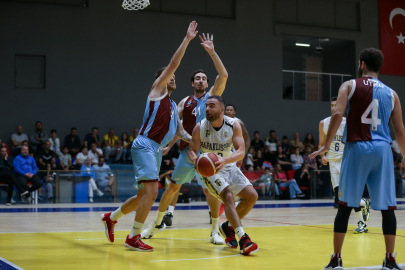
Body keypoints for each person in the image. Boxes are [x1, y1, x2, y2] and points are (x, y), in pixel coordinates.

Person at [100, 21, 198, 252]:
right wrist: (187, 39)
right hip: (145, 145)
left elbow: (180, 132)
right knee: (153, 192)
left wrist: (196, 140)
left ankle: (111, 218)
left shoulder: (174, 106)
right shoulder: (157, 91)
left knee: (142, 195)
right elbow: (174, 63)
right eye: (169, 75)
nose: (173, 77)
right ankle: (134, 236)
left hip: (154, 151)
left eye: (174, 76)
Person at [309, 48, 403, 269]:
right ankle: (390, 259)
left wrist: (326, 145)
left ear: (362, 64)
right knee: (388, 208)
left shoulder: (349, 85)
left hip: (357, 147)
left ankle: (336, 259)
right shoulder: (392, 93)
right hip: (382, 149)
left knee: (344, 206)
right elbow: (399, 130)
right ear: (379, 66)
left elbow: (337, 114)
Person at [142, 31, 229, 243]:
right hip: (187, 150)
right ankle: (156, 224)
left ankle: (215, 231)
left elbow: (224, 75)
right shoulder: (183, 102)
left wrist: (212, 52)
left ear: (208, 83)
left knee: (213, 192)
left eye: (204, 78)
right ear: (192, 83)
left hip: (208, 152)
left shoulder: (212, 98)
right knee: (172, 188)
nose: (201, 81)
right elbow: (176, 125)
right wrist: (169, 145)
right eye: (197, 78)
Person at [188, 95, 259, 255]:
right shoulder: (200, 127)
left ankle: (227, 227)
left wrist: (226, 160)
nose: (207, 109)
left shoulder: (234, 125)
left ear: (221, 109)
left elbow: (240, 151)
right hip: (210, 170)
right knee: (228, 196)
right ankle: (243, 238)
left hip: (228, 164)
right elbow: (192, 151)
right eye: (206, 106)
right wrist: (196, 161)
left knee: (252, 196)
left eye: (211, 106)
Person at [317, 96, 371, 235]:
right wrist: (322, 156)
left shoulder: (349, 123)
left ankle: (361, 222)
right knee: (340, 196)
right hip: (332, 163)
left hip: (346, 161)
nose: (334, 107)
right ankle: (363, 204)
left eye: (336, 105)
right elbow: (321, 144)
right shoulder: (323, 123)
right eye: (332, 105)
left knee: (347, 194)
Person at [225, 104, 251, 168]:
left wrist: (242, 155)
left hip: (235, 155)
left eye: (231, 110)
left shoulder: (239, 123)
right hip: (222, 153)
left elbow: (247, 140)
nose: (229, 111)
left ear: (234, 112)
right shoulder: (219, 121)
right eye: (227, 110)